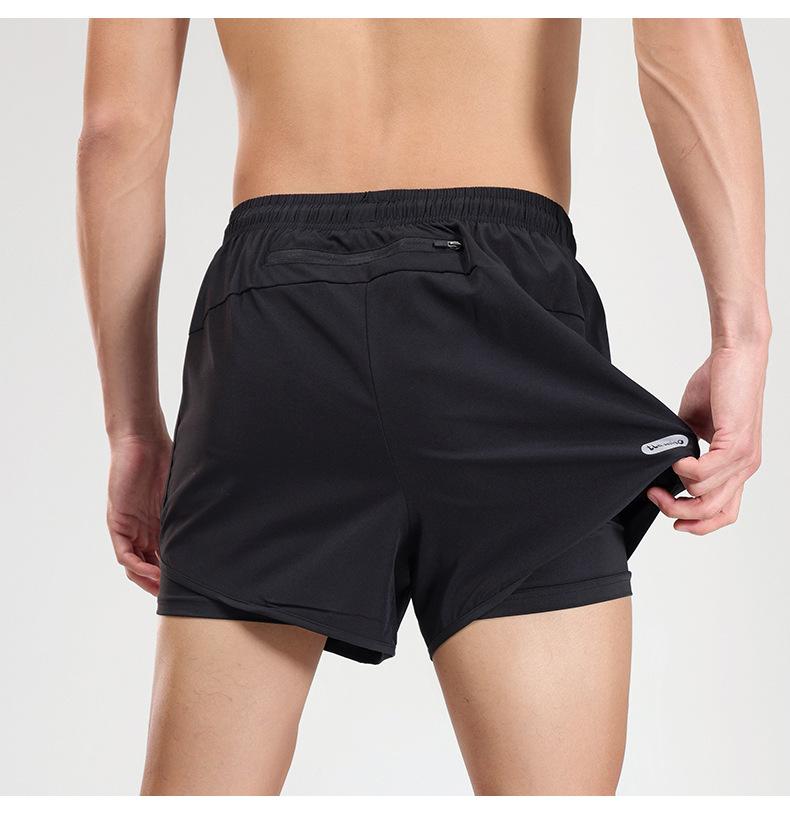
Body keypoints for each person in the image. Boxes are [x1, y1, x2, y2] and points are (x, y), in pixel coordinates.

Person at [77, 19, 770, 795]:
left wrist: (133, 430)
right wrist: (741, 335)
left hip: (276, 315)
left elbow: (117, 130)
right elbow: (689, 33)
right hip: (506, 312)